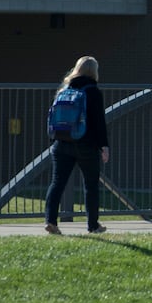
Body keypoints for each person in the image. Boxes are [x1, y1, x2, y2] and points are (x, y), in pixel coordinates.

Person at [44, 55, 109, 235]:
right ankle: (93, 225)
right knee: (90, 186)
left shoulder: (65, 89)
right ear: (94, 71)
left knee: (57, 182)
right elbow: (98, 122)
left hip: (61, 142)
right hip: (86, 145)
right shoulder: (93, 91)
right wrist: (104, 146)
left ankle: (50, 221)